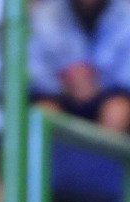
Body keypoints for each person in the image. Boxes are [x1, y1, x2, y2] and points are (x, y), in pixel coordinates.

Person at [30, 0, 130, 132]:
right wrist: (66, 82)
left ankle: (99, 153)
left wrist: (96, 82)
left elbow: (125, 77)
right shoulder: (45, 13)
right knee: (42, 111)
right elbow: (34, 73)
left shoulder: (125, 12)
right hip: (60, 95)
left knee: (118, 110)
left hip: (108, 96)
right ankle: (59, 153)